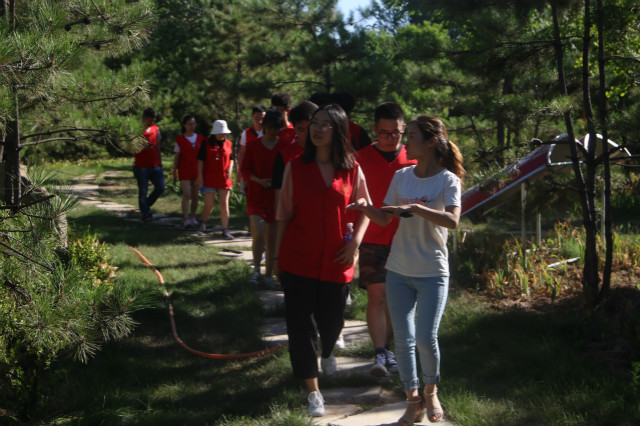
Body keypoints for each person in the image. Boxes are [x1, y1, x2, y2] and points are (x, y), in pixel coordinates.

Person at [348, 116, 465, 425]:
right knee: (404, 339)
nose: (405, 142)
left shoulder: (447, 180)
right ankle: (412, 400)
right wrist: (364, 206)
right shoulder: (402, 176)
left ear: (430, 143)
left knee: (426, 338)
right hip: (399, 269)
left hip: (432, 271)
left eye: (410, 136)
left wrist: (416, 208)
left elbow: (452, 221)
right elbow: (385, 218)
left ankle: (431, 391)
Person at [275, 104, 371, 417]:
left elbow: (366, 210)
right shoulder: (295, 166)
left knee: (332, 321)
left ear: (339, 131)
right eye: (314, 123)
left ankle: (328, 350)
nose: (317, 129)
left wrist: (355, 243)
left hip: (336, 260)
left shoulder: (352, 168)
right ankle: (313, 392)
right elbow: (283, 215)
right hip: (297, 258)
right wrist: (277, 259)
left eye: (325, 125)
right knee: (300, 326)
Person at [354, 102, 416, 377]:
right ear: (374, 130)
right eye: (384, 133)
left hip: (407, 239)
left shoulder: (414, 157)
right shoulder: (360, 158)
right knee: (377, 294)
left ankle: (393, 349)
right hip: (372, 236)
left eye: (396, 133)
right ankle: (380, 353)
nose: (390, 138)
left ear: (404, 130)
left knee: (397, 298)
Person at [241, 108, 289, 287]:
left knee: (272, 238)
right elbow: (245, 170)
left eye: (276, 128)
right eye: (269, 127)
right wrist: (258, 180)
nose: (272, 131)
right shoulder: (254, 145)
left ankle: (268, 275)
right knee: (259, 232)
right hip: (256, 195)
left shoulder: (284, 147)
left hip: (275, 198)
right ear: (264, 126)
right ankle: (255, 270)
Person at [197, 120, 234, 240]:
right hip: (210, 178)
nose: (222, 135)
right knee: (209, 204)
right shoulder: (206, 143)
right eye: (219, 133)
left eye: (223, 133)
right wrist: (200, 176)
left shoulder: (229, 144)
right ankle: (203, 222)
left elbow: (232, 158)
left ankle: (225, 229)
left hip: (224, 178)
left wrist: (230, 169)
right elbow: (201, 160)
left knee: (224, 203)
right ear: (214, 133)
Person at [172, 115, 206, 228]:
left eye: (193, 124)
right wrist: (174, 172)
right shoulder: (179, 140)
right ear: (184, 125)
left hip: (197, 171)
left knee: (195, 195)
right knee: (187, 194)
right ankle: (186, 218)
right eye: (189, 124)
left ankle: (193, 216)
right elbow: (177, 157)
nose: (192, 126)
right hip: (184, 170)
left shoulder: (201, 139)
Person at [133, 107, 165, 222]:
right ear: (144, 118)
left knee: (160, 187)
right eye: (149, 120)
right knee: (143, 190)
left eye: (153, 120)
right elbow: (132, 147)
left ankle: (145, 206)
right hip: (141, 166)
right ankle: (145, 213)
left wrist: (160, 161)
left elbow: (158, 146)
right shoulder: (136, 130)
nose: (151, 122)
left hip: (155, 164)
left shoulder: (156, 129)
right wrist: (143, 147)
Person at [238, 106, 266, 192]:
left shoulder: (269, 133)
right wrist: (240, 171)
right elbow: (242, 153)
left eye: (263, 118)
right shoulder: (246, 133)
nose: (260, 121)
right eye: (257, 118)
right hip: (250, 171)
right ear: (252, 117)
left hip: (264, 170)